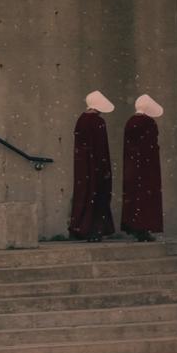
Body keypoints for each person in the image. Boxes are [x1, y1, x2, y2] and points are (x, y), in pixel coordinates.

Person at [68, 90, 116, 242]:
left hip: (83, 167)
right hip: (96, 166)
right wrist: (104, 168)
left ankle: (80, 228)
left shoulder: (81, 120)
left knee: (84, 195)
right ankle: (95, 230)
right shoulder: (98, 122)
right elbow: (102, 147)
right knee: (98, 197)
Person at [121, 94, 164, 242]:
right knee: (146, 198)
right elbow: (151, 146)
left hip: (132, 167)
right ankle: (144, 228)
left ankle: (135, 226)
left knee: (135, 197)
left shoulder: (130, 122)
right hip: (146, 167)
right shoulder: (148, 123)